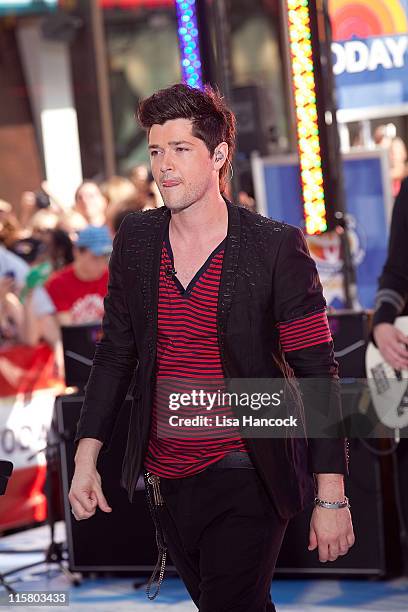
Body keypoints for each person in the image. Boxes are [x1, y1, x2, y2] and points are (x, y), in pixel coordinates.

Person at [69, 84, 354, 612]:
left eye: (181, 149)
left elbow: (317, 372)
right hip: (166, 470)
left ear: (219, 154)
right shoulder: (136, 238)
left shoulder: (273, 245)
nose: (164, 167)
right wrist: (87, 458)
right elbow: (115, 355)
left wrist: (331, 494)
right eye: (156, 151)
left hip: (248, 462)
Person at [45, 225, 111, 326]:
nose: (102, 264)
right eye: (95, 257)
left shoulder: (114, 278)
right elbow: (69, 328)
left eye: (105, 257)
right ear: (77, 252)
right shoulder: (58, 283)